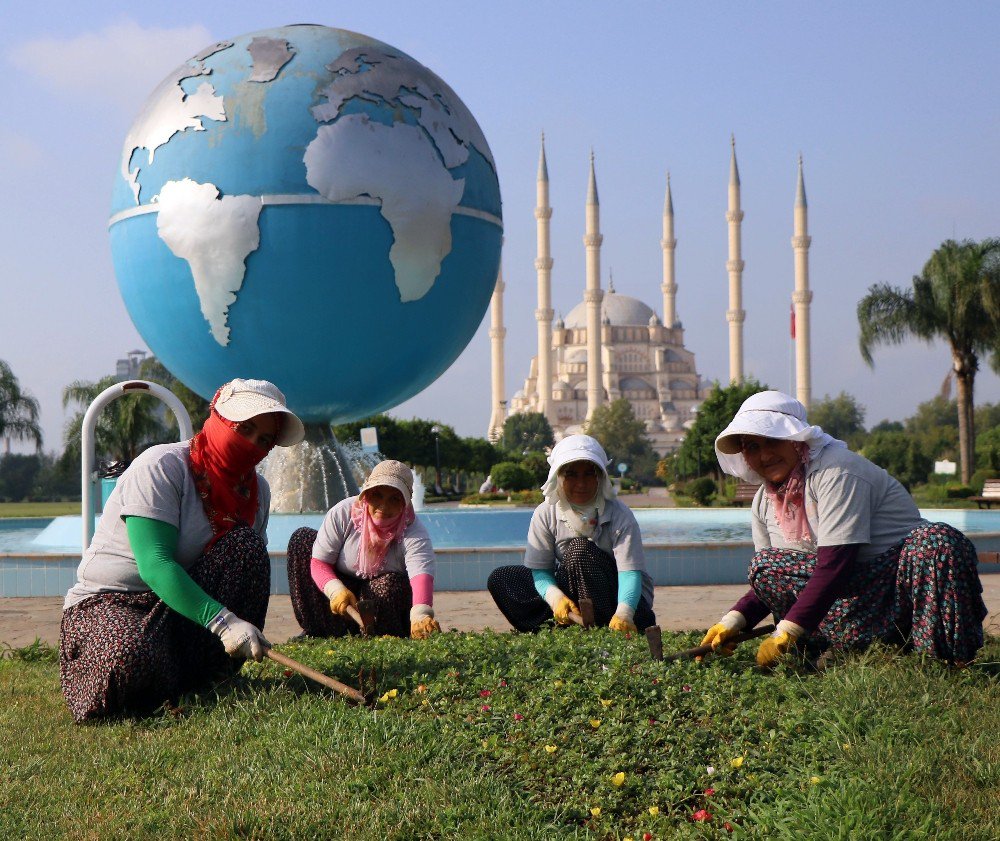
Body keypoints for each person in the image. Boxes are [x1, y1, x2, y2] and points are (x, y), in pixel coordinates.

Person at [59, 378, 305, 722]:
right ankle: (161, 671)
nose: (251, 444)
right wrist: (224, 623)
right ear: (217, 419)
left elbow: (243, 568)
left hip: (182, 612)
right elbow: (155, 564)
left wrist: (234, 627)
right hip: (112, 601)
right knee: (126, 659)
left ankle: (211, 675)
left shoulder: (256, 491)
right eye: (244, 429)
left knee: (246, 547)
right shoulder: (163, 466)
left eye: (264, 439)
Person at [701, 390, 987, 668]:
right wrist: (734, 621)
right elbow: (770, 580)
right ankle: (830, 648)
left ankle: (943, 660)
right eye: (751, 446)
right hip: (852, 601)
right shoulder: (765, 502)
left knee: (937, 542)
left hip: (897, 593)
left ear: (796, 439)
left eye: (772, 441)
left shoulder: (837, 472)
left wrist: (788, 628)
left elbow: (837, 563)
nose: (764, 456)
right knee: (766, 566)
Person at [487, 434, 655, 633]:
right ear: (558, 477)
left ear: (600, 476)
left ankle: (607, 626)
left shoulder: (620, 515)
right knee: (502, 578)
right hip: (573, 594)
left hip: (620, 601)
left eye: (589, 474)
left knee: (579, 550)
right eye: (571, 475)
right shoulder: (545, 513)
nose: (581, 483)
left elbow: (630, 573)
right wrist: (555, 597)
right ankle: (564, 624)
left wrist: (625, 612)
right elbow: (541, 572)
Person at [286, 459, 441, 639]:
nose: (383, 506)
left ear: (405, 503)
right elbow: (320, 562)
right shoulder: (342, 513)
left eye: (394, 499)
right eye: (377, 495)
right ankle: (318, 631)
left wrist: (420, 614)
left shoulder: (414, 531)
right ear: (366, 494)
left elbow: (421, 576)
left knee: (391, 584)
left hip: (382, 603)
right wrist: (335, 590)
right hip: (342, 593)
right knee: (302, 540)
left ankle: (381, 636)